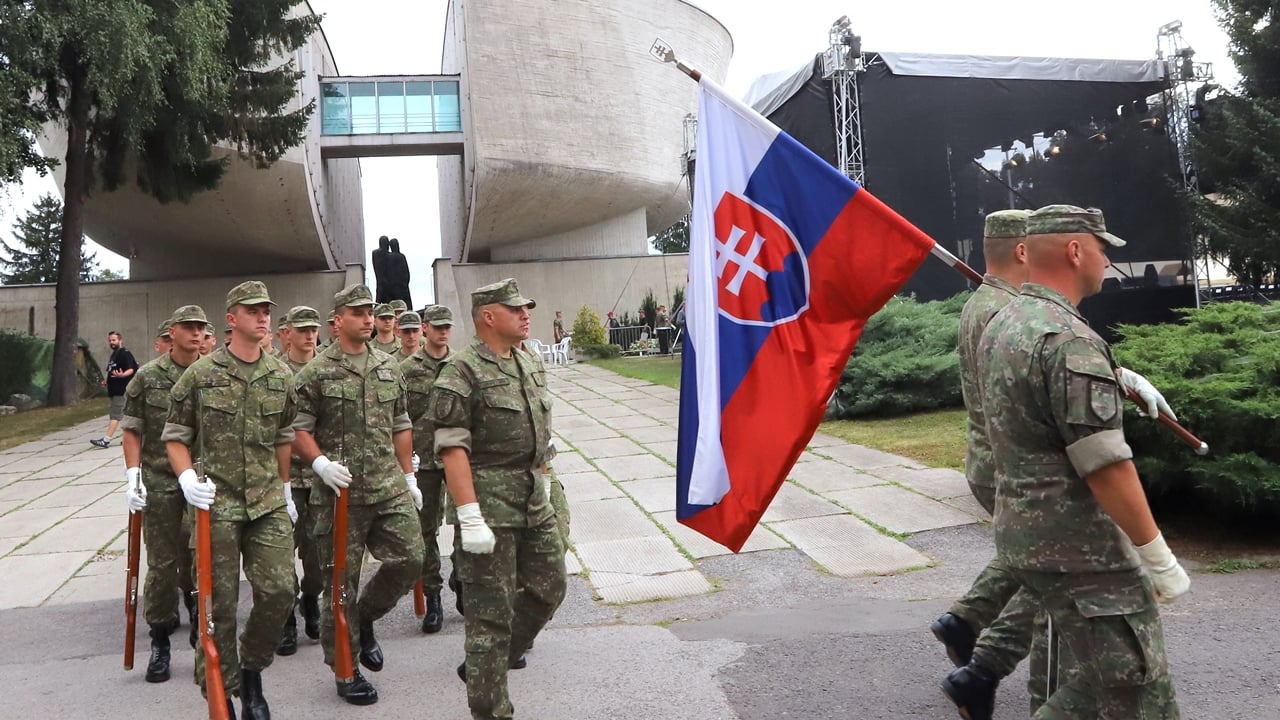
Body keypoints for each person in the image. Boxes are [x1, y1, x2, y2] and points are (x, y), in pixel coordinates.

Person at [977, 205, 1188, 719]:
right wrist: (1158, 556)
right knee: (1137, 685)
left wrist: (1117, 374)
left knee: (1103, 684)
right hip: (1080, 547)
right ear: (1076, 251)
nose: (1106, 261)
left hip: (1025, 532)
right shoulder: (1070, 339)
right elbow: (1105, 463)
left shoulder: (1005, 323)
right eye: (1101, 249)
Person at [430, 278, 566, 720]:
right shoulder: (461, 372)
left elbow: (538, 431)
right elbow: (452, 448)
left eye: (526, 307)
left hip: (532, 501)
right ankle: (491, 706)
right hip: (488, 508)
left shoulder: (527, 362)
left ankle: (482, 666)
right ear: (488, 316)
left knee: (550, 587)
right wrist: (469, 515)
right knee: (490, 617)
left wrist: (544, 476)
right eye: (515, 308)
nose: (526, 314)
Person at [162, 281, 299, 719]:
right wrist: (187, 478)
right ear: (231, 318)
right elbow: (176, 436)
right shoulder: (200, 376)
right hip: (215, 505)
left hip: (266, 501)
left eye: (266, 310)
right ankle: (223, 691)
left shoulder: (281, 376)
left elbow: (283, 435)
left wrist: (285, 488)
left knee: (281, 591)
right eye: (252, 310)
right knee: (216, 607)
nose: (263, 317)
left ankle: (251, 668)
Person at [291, 284, 425, 707]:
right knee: (339, 585)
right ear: (338, 320)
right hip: (339, 493)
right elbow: (297, 429)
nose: (368, 319)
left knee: (412, 558)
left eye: (370, 312)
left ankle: (365, 618)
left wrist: (408, 476)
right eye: (358, 312)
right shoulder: (316, 372)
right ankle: (345, 670)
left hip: (387, 487)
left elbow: (401, 423)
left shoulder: (388, 366)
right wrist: (319, 464)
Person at [121, 306, 205, 683]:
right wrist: (133, 477)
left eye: (200, 327)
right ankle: (160, 641)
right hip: (160, 480)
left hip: (203, 481)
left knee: (203, 558)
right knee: (162, 564)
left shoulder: (214, 373)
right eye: (188, 327)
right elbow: (132, 428)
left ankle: (203, 627)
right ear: (172, 333)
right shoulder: (148, 377)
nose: (196, 333)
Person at [401, 305, 455, 635]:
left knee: (467, 523)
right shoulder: (407, 370)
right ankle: (433, 596)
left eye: (448, 326)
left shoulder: (462, 365)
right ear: (425, 328)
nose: (443, 331)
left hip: (457, 456)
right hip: (424, 460)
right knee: (425, 530)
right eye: (438, 326)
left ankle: (463, 580)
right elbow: (399, 419)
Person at [276, 306, 325, 656]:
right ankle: (286, 618)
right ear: (287, 333)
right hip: (285, 477)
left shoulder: (329, 368)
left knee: (319, 554)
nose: (309, 336)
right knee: (281, 553)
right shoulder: (275, 372)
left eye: (314, 329)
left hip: (321, 475)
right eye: (302, 329)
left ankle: (311, 597)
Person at [92, 331, 139, 448]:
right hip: (114, 390)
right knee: (126, 415)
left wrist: (122, 375)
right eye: (110, 340)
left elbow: (131, 369)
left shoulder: (125, 353)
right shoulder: (114, 355)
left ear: (120, 340)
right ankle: (130, 438)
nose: (111, 342)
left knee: (115, 415)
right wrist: (106, 381)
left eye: (114, 340)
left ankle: (106, 440)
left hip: (121, 390)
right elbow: (110, 370)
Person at [372, 236, 392, 304]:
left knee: (378, 299)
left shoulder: (375, 253)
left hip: (379, 280)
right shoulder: (389, 255)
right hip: (387, 282)